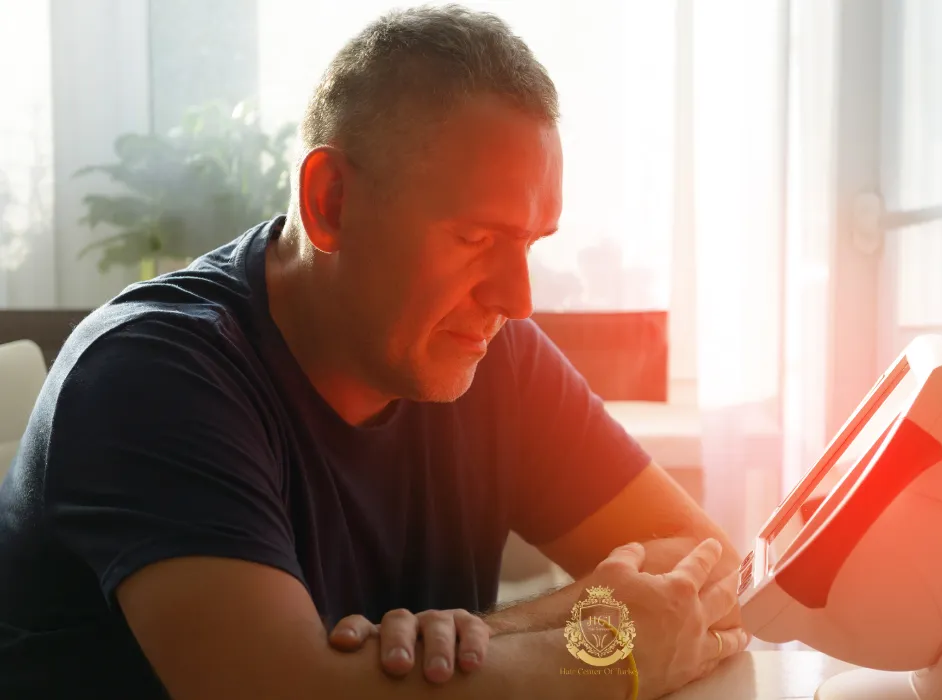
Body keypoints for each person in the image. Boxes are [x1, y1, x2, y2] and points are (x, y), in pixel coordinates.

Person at [0, 5, 748, 698]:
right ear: (331, 202)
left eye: (530, 244)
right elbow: (281, 691)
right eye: (477, 238)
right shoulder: (150, 375)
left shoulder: (488, 350)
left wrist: (497, 632)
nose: (517, 300)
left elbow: (704, 572)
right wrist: (602, 652)